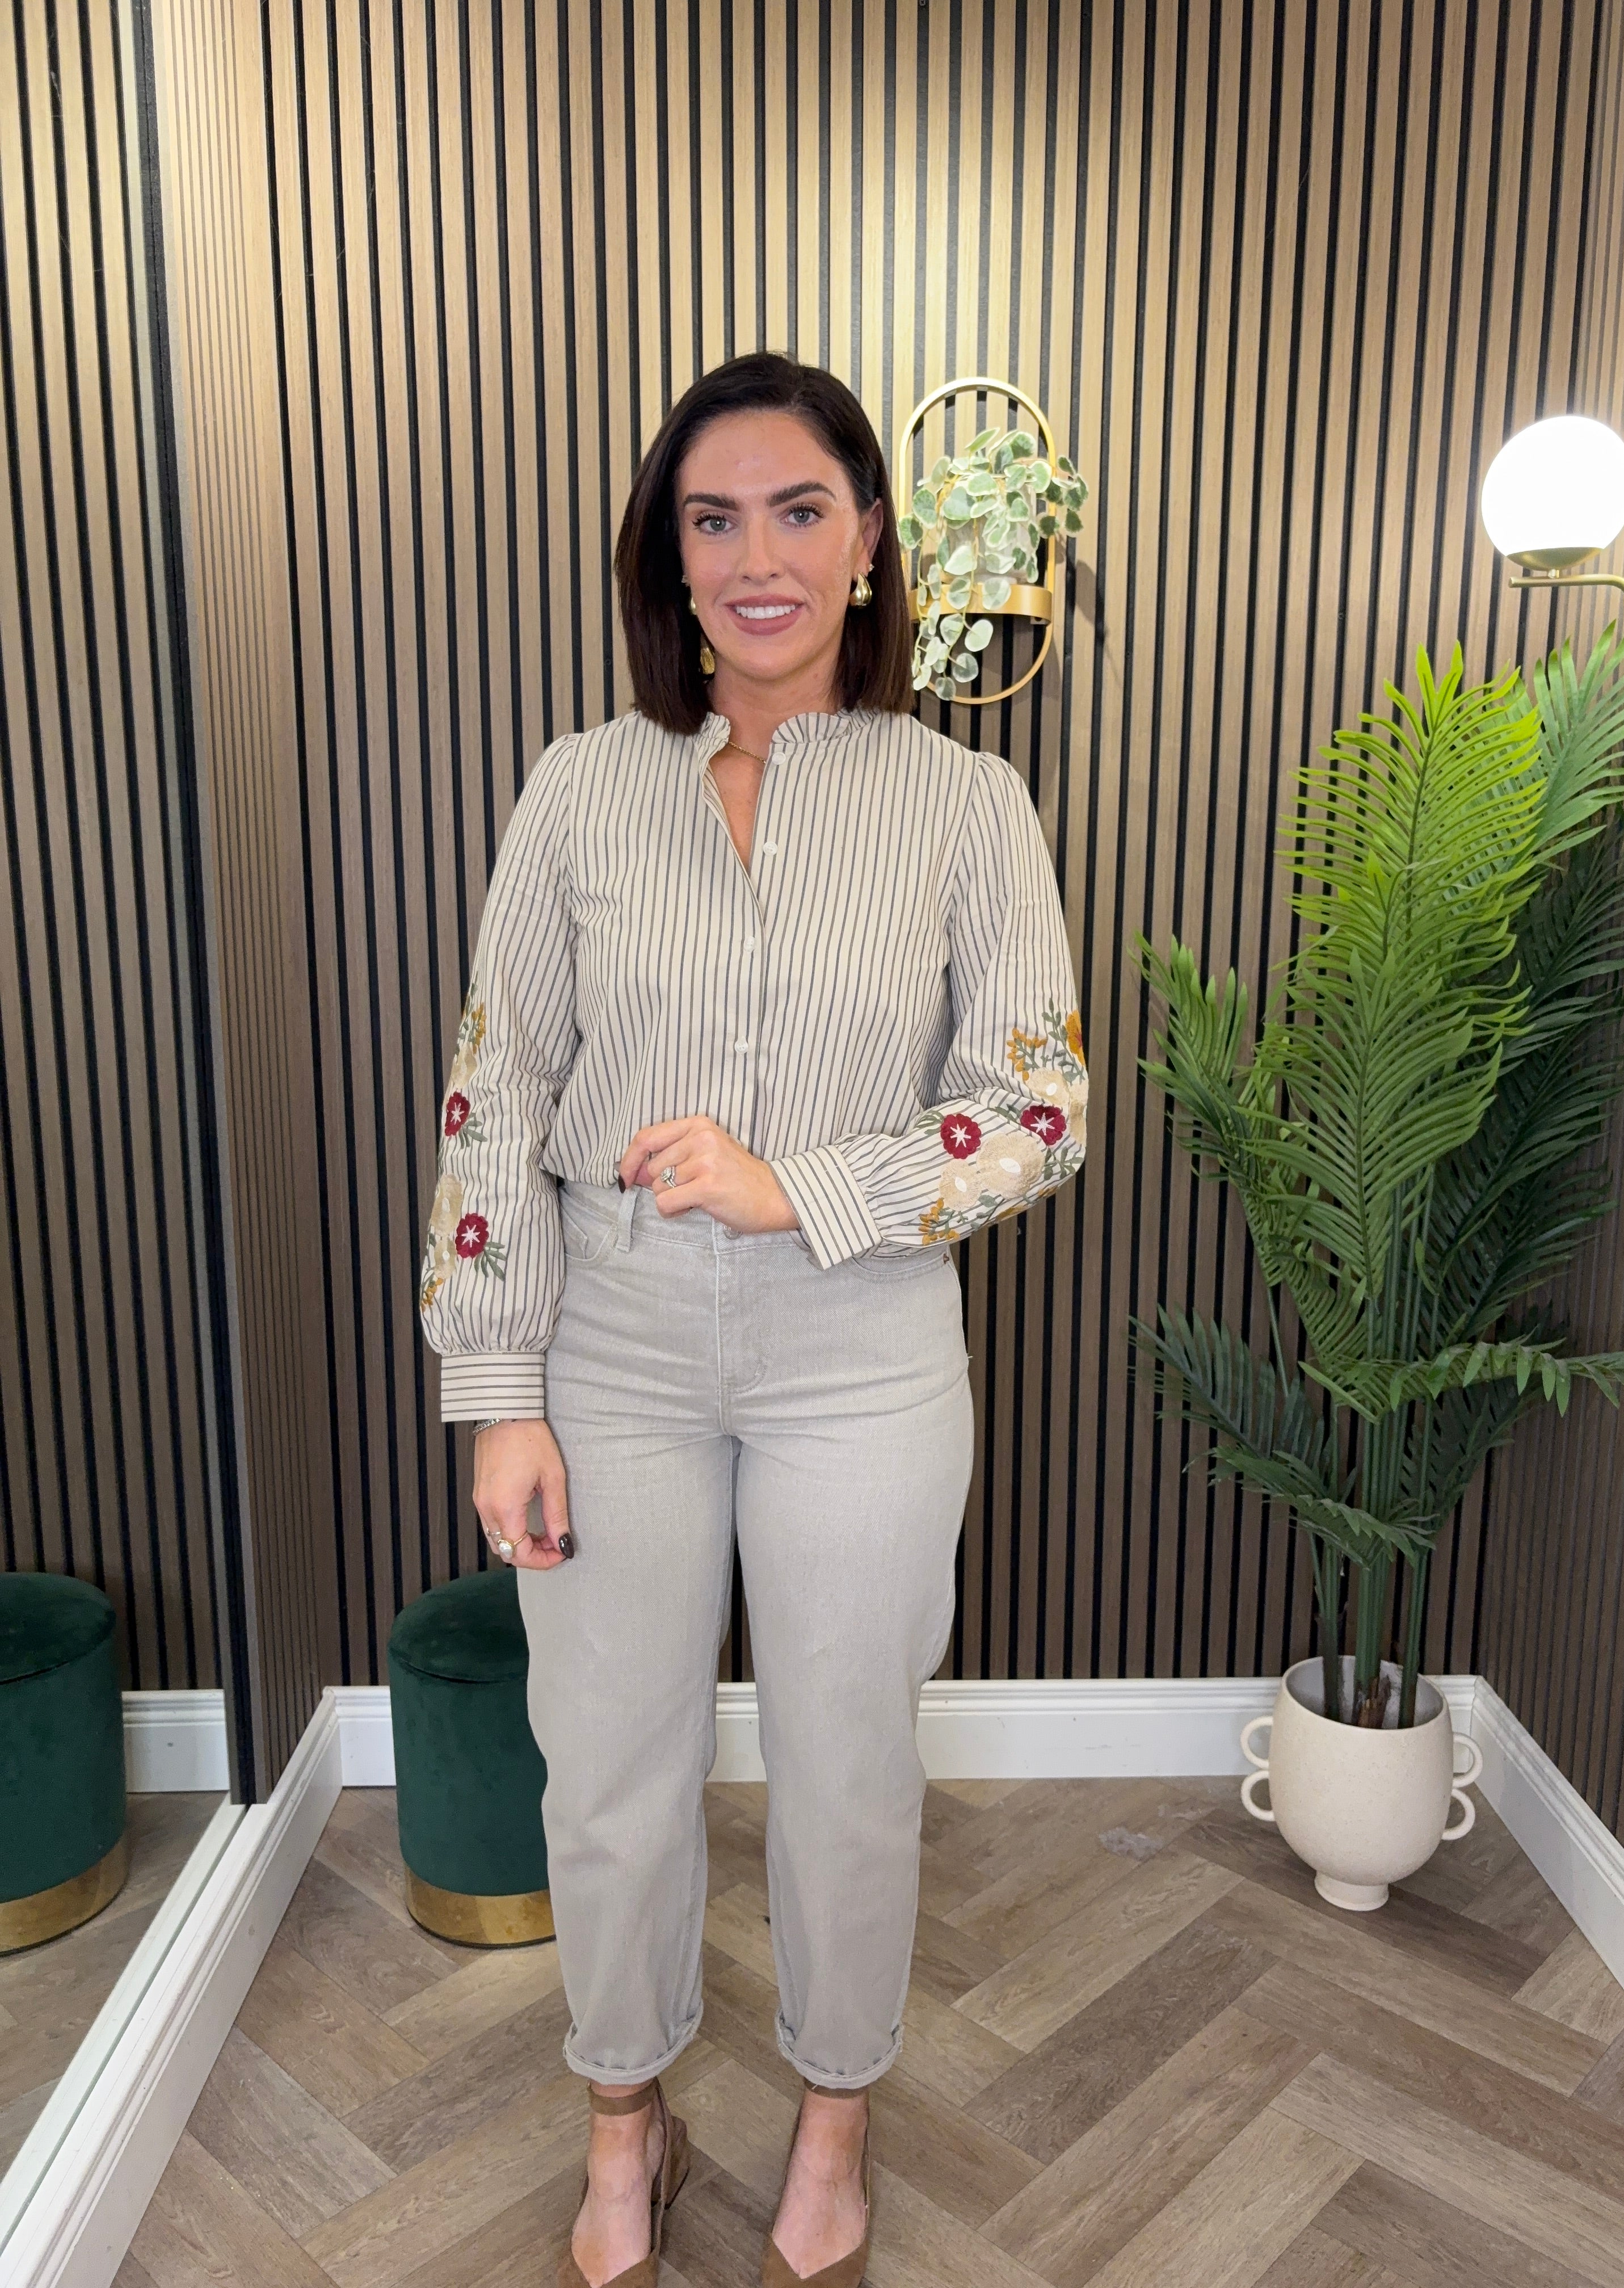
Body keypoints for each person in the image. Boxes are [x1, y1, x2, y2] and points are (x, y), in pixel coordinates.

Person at [418, 351, 1087, 2288]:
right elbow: (494, 1092)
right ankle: (624, 2118)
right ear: (670, 556)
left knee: (849, 1770)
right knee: (608, 1766)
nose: (758, 558)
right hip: (611, 1353)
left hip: (861, 1357)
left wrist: (803, 1185)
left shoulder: (966, 806)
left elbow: (1042, 1107)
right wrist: (500, 1389)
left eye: (800, 511)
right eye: (713, 520)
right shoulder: (580, 789)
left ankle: (834, 2118)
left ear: (870, 539)